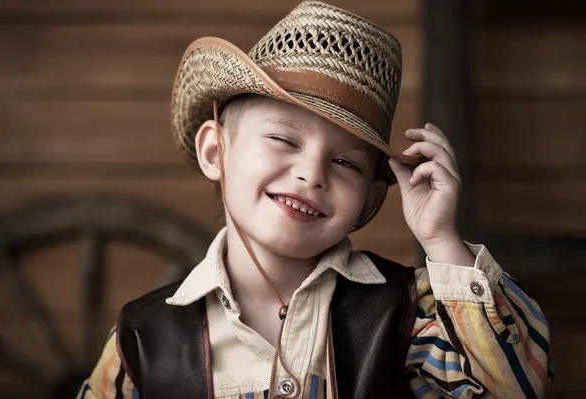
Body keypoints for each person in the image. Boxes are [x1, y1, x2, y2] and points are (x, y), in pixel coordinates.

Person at [77, 1, 552, 398]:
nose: (311, 174)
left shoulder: (414, 313)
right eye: (283, 140)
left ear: (368, 203)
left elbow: (514, 388)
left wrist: (441, 239)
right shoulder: (142, 338)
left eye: (345, 163)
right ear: (215, 151)